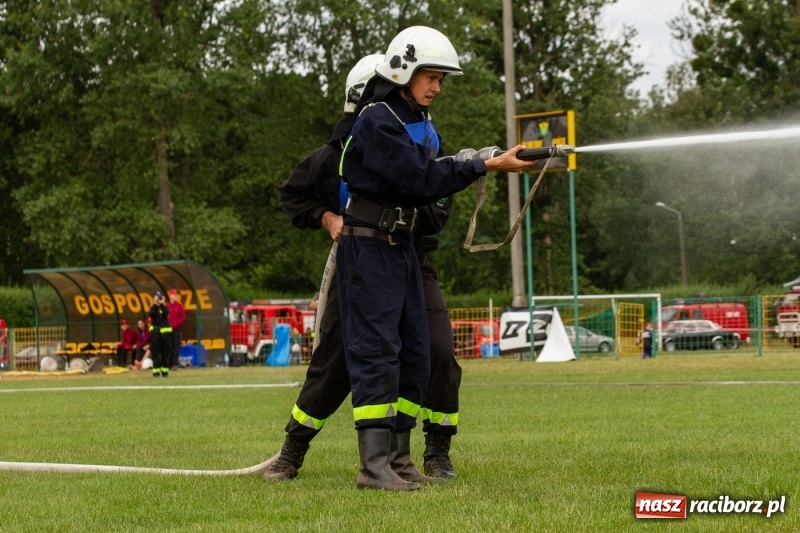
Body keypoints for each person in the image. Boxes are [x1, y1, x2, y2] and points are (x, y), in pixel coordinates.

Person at [340, 27, 532, 491]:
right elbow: (420, 177)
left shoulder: (414, 121)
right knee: (377, 352)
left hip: (402, 247)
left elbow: (434, 172)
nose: (438, 87)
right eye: (431, 77)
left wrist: (477, 160)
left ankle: (400, 460)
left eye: (441, 79)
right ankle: (373, 468)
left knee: (416, 352)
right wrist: (485, 165)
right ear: (403, 71)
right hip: (369, 247)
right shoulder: (378, 119)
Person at [270, 53, 461, 486]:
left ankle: (432, 453)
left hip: (412, 262)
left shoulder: (423, 141)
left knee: (434, 350)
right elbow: (294, 195)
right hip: (362, 264)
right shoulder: (337, 152)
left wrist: (410, 211)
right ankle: (292, 451)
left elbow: (437, 198)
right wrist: (328, 218)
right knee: (337, 359)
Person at [148, 291, 172, 377]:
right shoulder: (152, 308)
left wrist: (161, 304)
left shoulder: (165, 307)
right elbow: (152, 314)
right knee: (155, 352)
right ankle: (156, 372)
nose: (157, 299)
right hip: (155, 333)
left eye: (158, 297)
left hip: (165, 334)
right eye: (155, 297)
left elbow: (166, 312)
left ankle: (165, 372)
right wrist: (155, 305)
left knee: (165, 352)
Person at [167, 289, 186, 370]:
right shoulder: (167, 306)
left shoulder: (179, 306)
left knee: (176, 346)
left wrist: (175, 325)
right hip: (168, 330)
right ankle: (168, 363)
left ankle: (174, 363)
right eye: (174, 294)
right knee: (168, 346)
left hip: (176, 329)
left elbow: (183, 317)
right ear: (170, 296)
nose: (176, 296)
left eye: (176, 295)